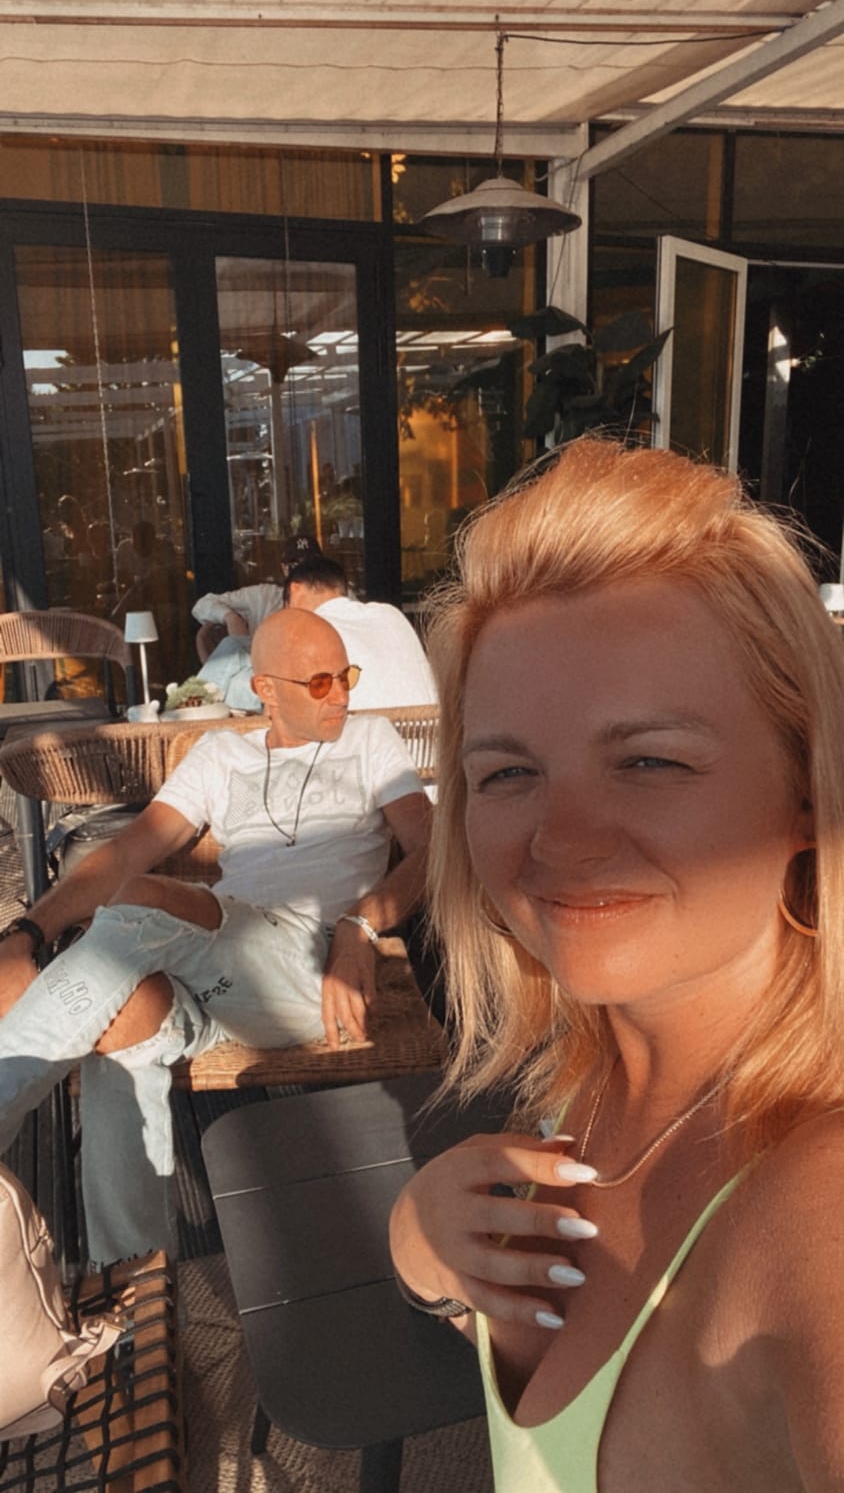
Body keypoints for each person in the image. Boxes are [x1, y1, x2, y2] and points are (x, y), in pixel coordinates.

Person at [388, 437, 844, 1491]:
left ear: (808, 791)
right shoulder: (588, 1087)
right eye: (509, 773)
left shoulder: (819, 1203)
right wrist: (424, 1252)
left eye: (649, 759)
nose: (562, 842)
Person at [0, 607, 430, 1265]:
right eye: (320, 683)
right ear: (265, 690)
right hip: (216, 974)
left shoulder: (369, 741)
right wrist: (27, 933)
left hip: (309, 970)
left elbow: (435, 851)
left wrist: (360, 923)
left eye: (346, 676)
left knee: (140, 900)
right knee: (123, 1018)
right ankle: (134, 1278)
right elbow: (126, 852)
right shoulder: (222, 754)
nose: (342, 695)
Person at [198, 554, 438, 714]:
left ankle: (190, 714)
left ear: (295, 590)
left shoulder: (310, 630)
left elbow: (273, 702)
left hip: (352, 753)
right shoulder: (390, 615)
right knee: (236, 651)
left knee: (235, 672)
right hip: (424, 755)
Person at [192, 532, 322, 662]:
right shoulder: (264, 597)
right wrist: (230, 617)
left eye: (311, 565)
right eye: (295, 565)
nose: (303, 572)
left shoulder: (328, 601)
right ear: (284, 568)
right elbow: (202, 605)